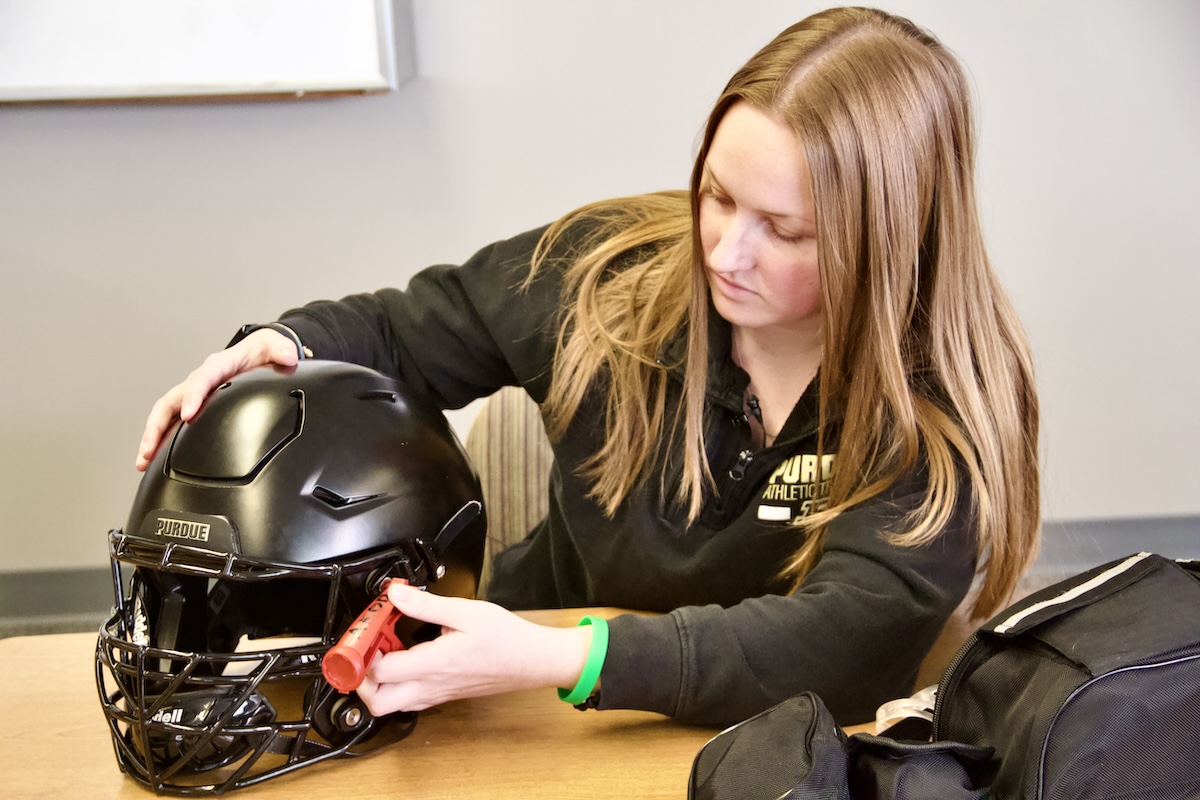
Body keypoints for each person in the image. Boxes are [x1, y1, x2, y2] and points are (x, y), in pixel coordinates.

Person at [136, 6, 1040, 728]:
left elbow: (842, 643)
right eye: (718, 196)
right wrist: (282, 345)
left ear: (888, 242)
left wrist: (575, 658)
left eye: (787, 230)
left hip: (773, 735)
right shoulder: (605, 277)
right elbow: (403, 333)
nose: (727, 251)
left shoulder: (940, 407)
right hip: (515, 693)